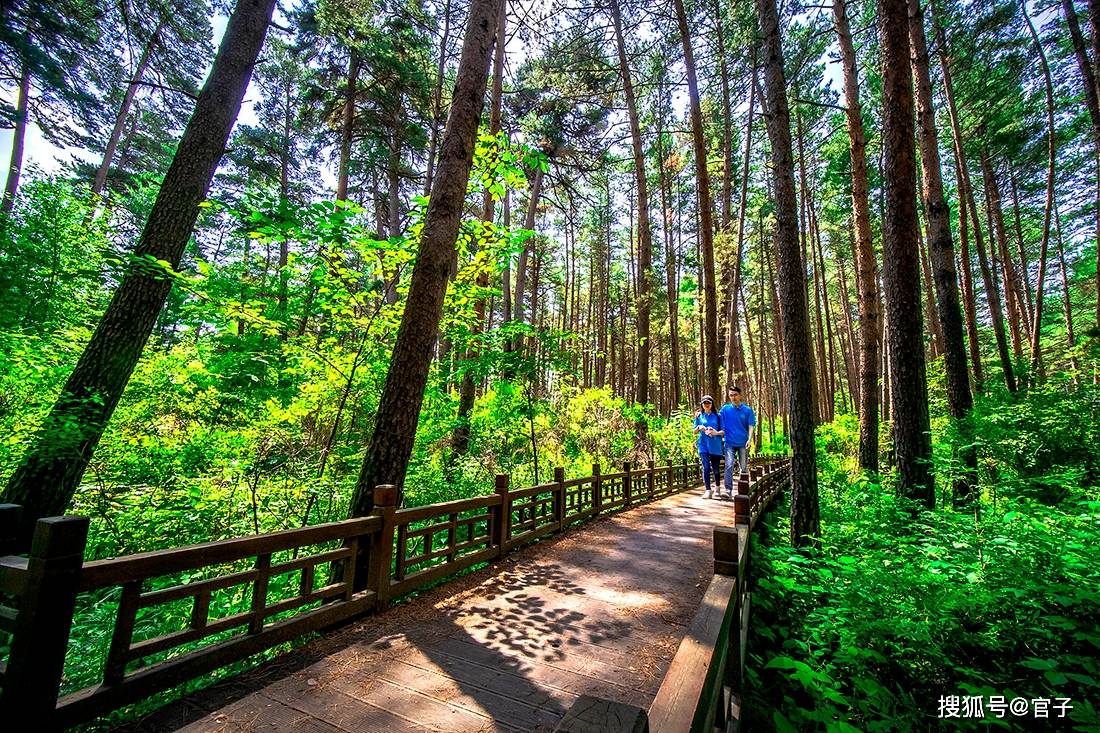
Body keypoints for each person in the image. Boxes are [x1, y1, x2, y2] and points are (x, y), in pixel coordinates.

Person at [719, 385, 756, 499]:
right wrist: (701, 414)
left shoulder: (747, 410)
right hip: (729, 441)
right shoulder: (725, 409)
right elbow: (716, 417)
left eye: (735, 395)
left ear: (740, 395)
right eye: (731, 395)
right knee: (729, 464)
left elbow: (751, 426)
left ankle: (743, 490)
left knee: (743, 467)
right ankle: (728, 490)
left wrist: (750, 439)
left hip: (743, 442)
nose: (733, 397)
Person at [693, 395, 724, 499]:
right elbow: (694, 432)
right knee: (706, 467)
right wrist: (699, 427)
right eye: (704, 403)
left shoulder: (718, 416)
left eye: (708, 403)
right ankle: (707, 490)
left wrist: (715, 432)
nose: (706, 405)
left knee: (715, 469)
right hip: (703, 445)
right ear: (702, 404)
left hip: (715, 446)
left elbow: (724, 431)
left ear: (712, 404)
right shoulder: (699, 416)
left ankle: (717, 489)